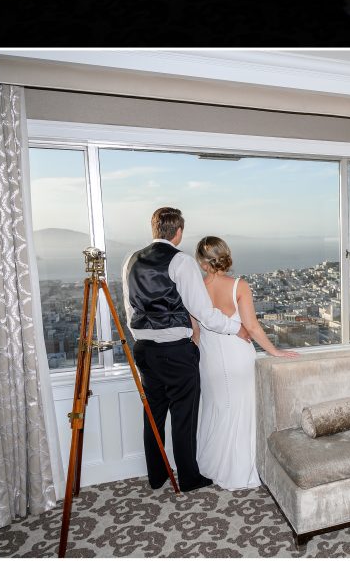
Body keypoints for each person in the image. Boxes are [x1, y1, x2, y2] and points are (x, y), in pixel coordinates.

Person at [122, 206, 251, 492]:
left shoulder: (131, 260)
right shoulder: (180, 262)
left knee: (153, 414)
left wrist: (143, 336)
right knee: (184, 415)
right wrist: (235, 328)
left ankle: (156, 475)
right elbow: (203, 312)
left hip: (144, 349)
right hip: (176, 350)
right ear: (178, 232)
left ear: (153, 229)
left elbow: (129, 308)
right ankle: (189, 477)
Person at [193, 236, 298, 490]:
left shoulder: (195, 289)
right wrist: (274, 350)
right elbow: (250, 326)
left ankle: (212, 465)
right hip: (238, 356)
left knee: (216, 408)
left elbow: (195, 333)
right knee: (242, 412)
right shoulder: (239, 286)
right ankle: (239, 469)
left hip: (210, 360)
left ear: (202, 262)